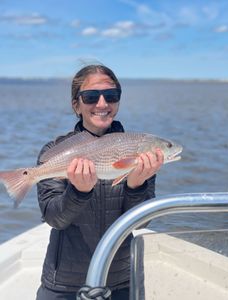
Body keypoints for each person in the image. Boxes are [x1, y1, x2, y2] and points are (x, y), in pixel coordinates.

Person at [36, 64, 164, 300]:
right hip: (64, 284)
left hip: (122, 281)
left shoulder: (140, 151)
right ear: (76, 104)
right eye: (91, 97)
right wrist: (78, 192)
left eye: (111, 96)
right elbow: (55, 219)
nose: (102, 104)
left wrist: (136, 186)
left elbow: (141, 224)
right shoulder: (55, 151)